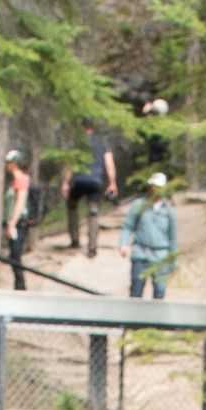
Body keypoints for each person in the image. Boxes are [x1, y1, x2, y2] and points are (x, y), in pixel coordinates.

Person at [62, 121, 119, 257]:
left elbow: (70, 164)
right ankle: (92, 247)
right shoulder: (102, 143)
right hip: (95, 182)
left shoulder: (77, 143)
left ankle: (75, 239)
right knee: (93, 212)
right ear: (93, 127)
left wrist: (65, 182)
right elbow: (109, 164)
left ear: (82, 128)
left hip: (78, 181)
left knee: (72, 206)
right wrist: (112, 182)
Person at [119, 172, 178, 299]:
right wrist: (123, 244)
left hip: (161, 256)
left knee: (159, 292)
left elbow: (173, 237)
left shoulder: (169, 209)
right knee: (136, 291)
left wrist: (173, 262)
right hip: (141, 253)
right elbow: (128, 226)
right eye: (154, 186)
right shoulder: (138, 205)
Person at [3, 149, 32, 292]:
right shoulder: (13, 181)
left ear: (15, 164)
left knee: (15, 254)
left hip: (19, 223)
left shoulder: (21, 179)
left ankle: (21, 287)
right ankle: (18, 285)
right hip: (12, 222)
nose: (6, 165)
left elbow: (20, 203)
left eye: (9, 162)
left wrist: (13, 223)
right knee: (13, 255)